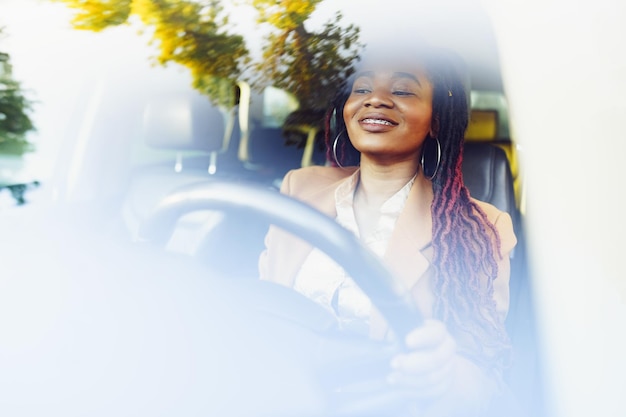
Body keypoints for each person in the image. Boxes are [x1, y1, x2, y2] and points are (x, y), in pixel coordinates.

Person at [258, 45, 517, 416]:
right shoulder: (298, 188)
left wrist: (443, 376)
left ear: (436, 121)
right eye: (361, 89)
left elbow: (485, 372)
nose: (375, 100)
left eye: (402, 91)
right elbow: (264, 308)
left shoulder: (476, 228)